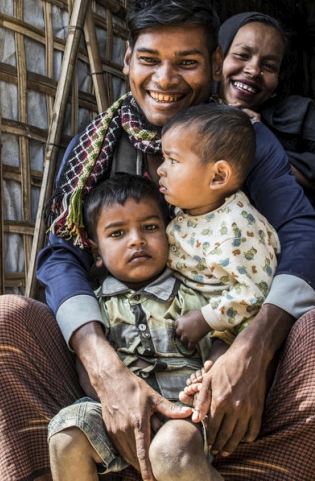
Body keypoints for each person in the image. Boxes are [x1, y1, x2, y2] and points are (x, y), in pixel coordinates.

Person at [0, 0, 315, 481]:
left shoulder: (238, 137)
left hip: (223, 380)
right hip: (112, 381)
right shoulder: (93, 148)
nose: (164, 79)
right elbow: (61, 255)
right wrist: (103, 366)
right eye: (149, 60)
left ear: (215, 63)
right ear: (126, 61)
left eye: (186, 62)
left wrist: (253, 351)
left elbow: (307, 235)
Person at [47, 174, 223, 481]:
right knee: (66, 435)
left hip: (182, 412)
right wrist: (113, 405)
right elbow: (88, 369)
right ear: (97, 254)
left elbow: (221, 339)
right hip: (113, 414)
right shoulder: (94, 307)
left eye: (150, 227)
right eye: (117, 233)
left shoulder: (192, 295)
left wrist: (211, 375)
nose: (136, 239)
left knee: (171, 451)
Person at [157, 104, 278, 348]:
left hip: (228, 324)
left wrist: (206, 319)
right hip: (187, 308)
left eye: (172, 160)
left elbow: (254, 293)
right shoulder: (193, 207)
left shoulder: (236, 229)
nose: (161, 169)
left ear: (218, 176)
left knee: (226, 349)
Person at [217, 12, 315, 220]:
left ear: (278, 81)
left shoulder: (302, 114)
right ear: (217, 61)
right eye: (242, 56)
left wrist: (258, 141)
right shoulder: (191, 115)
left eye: (269, 66)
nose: (254, 70)